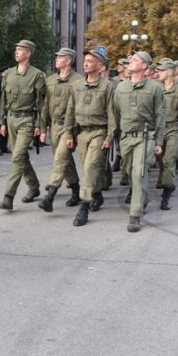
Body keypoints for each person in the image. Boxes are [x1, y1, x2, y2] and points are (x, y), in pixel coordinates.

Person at [40, 50, 115, 227]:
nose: (86, 63)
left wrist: (110, 136)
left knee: (89, 169)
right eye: (85, 61)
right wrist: (68, 133)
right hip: (80, 132)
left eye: (90, 61)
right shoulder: (78, 85)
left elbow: (112, 113)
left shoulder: (106, 86)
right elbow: (71, 111)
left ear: (99, 65)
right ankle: (96, 194)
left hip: (99, 132)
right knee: (78, 164)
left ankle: (84, 209)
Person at [113, 51, 165, 232]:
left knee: (139, 173)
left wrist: (159, 141)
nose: (130, 62)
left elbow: (160, 116)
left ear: (144, 66)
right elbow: (115, 114)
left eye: (135, 60)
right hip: (126, 138)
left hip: (145, 137)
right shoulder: (120, 87)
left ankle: (134, 215)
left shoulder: (154, 88)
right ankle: (142, 196)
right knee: (128, 171)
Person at [0, 40, 47, 210]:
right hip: (11, 119)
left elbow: (41, 104)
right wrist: (2, 121)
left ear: (29, 53)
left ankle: (8, 196)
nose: (17, 52)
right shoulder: (8, 74)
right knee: (21, 157)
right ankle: (34, 188)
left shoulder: (37, 75)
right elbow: (3, 100)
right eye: (16, 49)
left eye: (21, 49)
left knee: (17, 156)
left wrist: (40, 125)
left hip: (27, 120)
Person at [39, 48, 83, 208]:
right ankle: (76, 189)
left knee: (60, 158)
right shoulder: (50, 80)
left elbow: (79, 107)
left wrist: (74, 131)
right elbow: (45, 105)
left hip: (69, 126)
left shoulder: (78, 81)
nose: (56, 59)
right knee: (64, 160)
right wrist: (43, 128)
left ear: (68, 61)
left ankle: (50, 195)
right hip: (55, 126)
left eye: (60, 57)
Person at [155, 60, 178, 210]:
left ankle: (167, 191)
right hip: (157, 130)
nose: (158, 72)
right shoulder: (155, 88)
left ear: (169, 72)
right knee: (160, 160)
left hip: (173, 128)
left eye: (161, 70)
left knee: (169, 159)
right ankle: (164, 181)